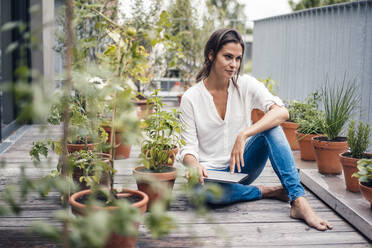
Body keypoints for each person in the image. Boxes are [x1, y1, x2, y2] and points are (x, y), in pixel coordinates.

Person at [177, 28, 333, 231]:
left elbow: (282, 112)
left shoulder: (246, 85)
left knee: (272, 128)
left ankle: (298, 200)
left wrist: (244, 134)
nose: (234, 65)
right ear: (211, 55)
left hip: (242, 166)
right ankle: (265, 191)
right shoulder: (191, 98)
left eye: (238, 58)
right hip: (210, 175)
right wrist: (194, 164)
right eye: (227, 57)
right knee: (200, 194)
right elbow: (187, 147)